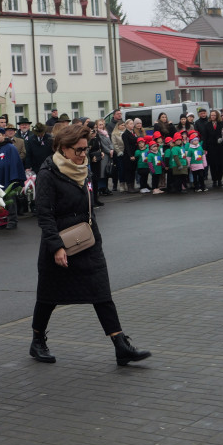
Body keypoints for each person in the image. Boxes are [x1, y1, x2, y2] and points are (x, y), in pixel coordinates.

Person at [30, 123, 151, 366]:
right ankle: (37, 341)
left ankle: (120, 345)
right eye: (78, 150)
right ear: (63, 149)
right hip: (60, 243)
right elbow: (44, 214)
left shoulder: (83, 169)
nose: (83, 154)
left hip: (88, 240)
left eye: (85, 149)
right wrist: (56, 247)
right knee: (48, 296)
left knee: (101, 292)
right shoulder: (48, 174)